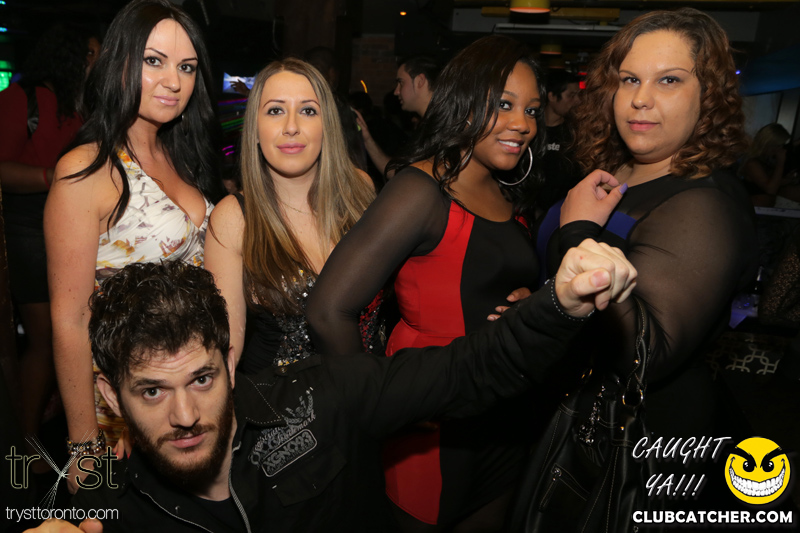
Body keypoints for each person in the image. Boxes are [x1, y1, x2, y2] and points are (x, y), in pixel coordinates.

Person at [25, 240, 635, 533]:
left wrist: (559, 305)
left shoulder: (321, 397)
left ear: (230, 362)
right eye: (153, 392)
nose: (185, 414)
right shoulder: (107, 508)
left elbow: (470, 370)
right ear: (110, 396)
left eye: (202, 379)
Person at [307, 35, 585, 531]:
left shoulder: (506, 188)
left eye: (531, 110)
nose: (523, 124)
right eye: (504, 104)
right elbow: (328, 310)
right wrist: (380, 402)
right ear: (464, 100)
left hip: (503, 414)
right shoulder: (420, 190)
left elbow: (486, 277)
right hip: (433, 418)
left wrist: (527, 305)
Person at [537, 7, 757, 500]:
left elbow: (646, 353)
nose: (640, 98)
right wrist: (535, 309)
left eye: (669, 80)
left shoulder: (703, 204)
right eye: (630, 79)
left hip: (643, 442)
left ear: (709, 96)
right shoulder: (618, 169)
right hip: (572, 410)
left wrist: (577, 233)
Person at [44, 0, 223, 492]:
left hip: (192, 399)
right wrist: (84, 447)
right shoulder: (86, 170)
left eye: (187, 67)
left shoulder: (185, 156)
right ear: (120, 61)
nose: (173, 81)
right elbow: (69, 319)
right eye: (154, 60)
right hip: (123, 411)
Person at [204, 58, 376, 374]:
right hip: (281, 399)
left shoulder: (360, 190)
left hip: (374, 391)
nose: (292, 126)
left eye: (308, 111)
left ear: (327, 126)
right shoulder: (233, 218)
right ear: (255, 130)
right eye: (275, 111)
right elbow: (226, 349)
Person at [0, 23, 91, 467]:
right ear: (68, 58)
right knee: (46, 339)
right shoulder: (22, 99)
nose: (95, 65)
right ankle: (24, 442)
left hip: (68, 221)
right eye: (90, 56)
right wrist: (53, 177)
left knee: (66, 333)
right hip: (26, 225)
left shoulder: (81, 106)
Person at [356, 55, 440, 176]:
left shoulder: (442, 127)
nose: (396, 91)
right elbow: (398, 174)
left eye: (401, 82)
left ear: (420, 81)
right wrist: (367, 138)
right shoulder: (429, 126)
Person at [533, 69, 584, 215]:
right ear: (552, 96)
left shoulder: (575, 133)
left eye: (578, 95)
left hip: (562, 212)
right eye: (571, 95)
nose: (577, 101)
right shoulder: (531, 129)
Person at [739, 123, 792, 207]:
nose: (780, 149)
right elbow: (770, 190)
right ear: (768, 144)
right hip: (755, 209)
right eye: (778, 146)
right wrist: (780, 163)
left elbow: (771, 182)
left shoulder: (766, 160)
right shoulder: (752, 163)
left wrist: (787, 180)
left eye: (782, 145)